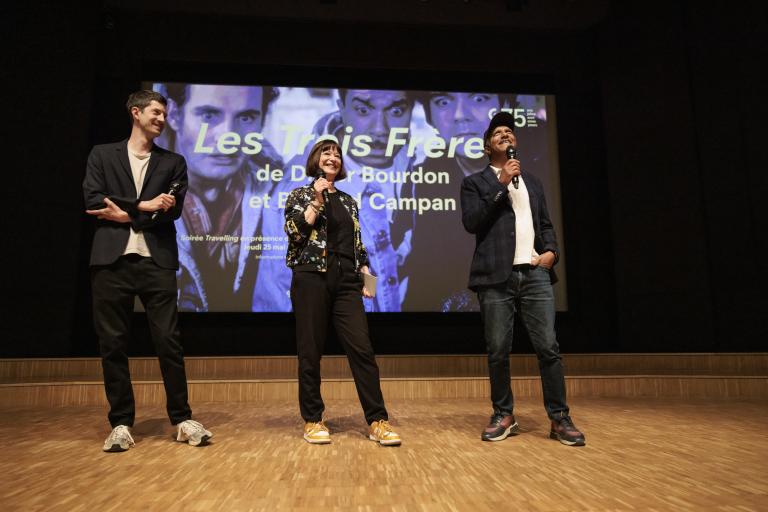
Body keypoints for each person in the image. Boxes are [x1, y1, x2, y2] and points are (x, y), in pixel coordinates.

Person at [83, 90, 212, 452]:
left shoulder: (173, 162)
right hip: (111, 262)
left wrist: (125, 213)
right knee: (112, 344)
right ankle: (121, 423)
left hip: (156, 262)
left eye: (165, 114)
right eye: (155, 112)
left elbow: (170, 210)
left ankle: (182, 418)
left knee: (168, 342)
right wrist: (142, 206)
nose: (161, 119)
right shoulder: (102, 155)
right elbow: (93, 201)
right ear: (135, 113)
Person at [460, 111, 585, 446]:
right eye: (498, 133)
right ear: (488, 146)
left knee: (549, 348)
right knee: (499, 349)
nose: (506, 135)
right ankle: (504, 414)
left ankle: (559, 418)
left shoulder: (532, 181)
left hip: (534, 275)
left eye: (510, 132)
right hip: (495, 277)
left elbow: (544, 224)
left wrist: (552, 253)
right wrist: (501, 184)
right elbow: (472, 222)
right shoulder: (475, 183)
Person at [284, 139, 401, 446]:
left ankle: (378, 420)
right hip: (311, 278)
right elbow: (295, 232)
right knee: (310, 352)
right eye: (327, 153)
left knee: (362, 349)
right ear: (315, 160)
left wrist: (367, 278)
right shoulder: (300, 194)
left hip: (347, 281)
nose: (333, 158)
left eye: (337, 154)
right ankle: (312, 419)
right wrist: (317, 200)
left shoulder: (349, 201)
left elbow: (358, 246)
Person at [279, 89, 418, 312]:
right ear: (341, 108)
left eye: (396, 110)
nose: (380, 129)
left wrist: (370, 290)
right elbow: (281, 283)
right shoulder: (299, 186)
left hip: (364, 309)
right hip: (329, 309)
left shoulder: (419, 167)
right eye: (363, 110)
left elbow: (369, 260)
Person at [160, 83, 283, 312]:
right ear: (174, 115)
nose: (228, 137)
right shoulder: (139, 188)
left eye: (246, 118)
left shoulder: (281, 189)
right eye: (208, 115)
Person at [405, 91, 513, 311]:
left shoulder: (534, 164)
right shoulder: (425, 177)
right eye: (443, 102)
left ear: (507, 105)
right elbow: (424, 271)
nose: (460, 115)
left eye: (479, 98)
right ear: (429, 118)